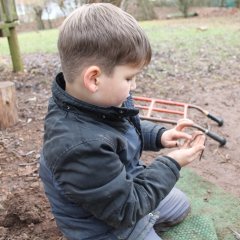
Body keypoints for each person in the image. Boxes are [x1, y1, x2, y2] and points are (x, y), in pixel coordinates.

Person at [39, 3, 205, 240]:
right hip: (104, 225)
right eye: (129, 77)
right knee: (143, 209)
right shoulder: (79, 146)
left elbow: (122, 128)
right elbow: (125, 210)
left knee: (180, 206)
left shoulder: (95, 101)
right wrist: (171, 163)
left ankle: (147, 218)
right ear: (94, 79)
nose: (134, 86)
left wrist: (159, 136)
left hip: (122, 189)